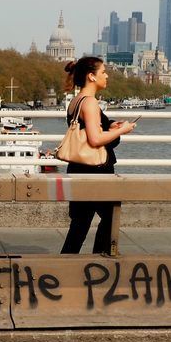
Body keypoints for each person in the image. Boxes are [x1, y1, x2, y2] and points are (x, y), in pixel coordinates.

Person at [60, 56, 136, 254]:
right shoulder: (90, 103)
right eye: (103, 72)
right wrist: (123, 130)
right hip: (95, 171)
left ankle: (66, 264)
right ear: (91, 76)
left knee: (80, 225)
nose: (107, 75)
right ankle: (99, 259)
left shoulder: (76, 101)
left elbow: (91, 126)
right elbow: (95, 139)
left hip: (78, 168)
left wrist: (111, 125)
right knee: (110, 217)